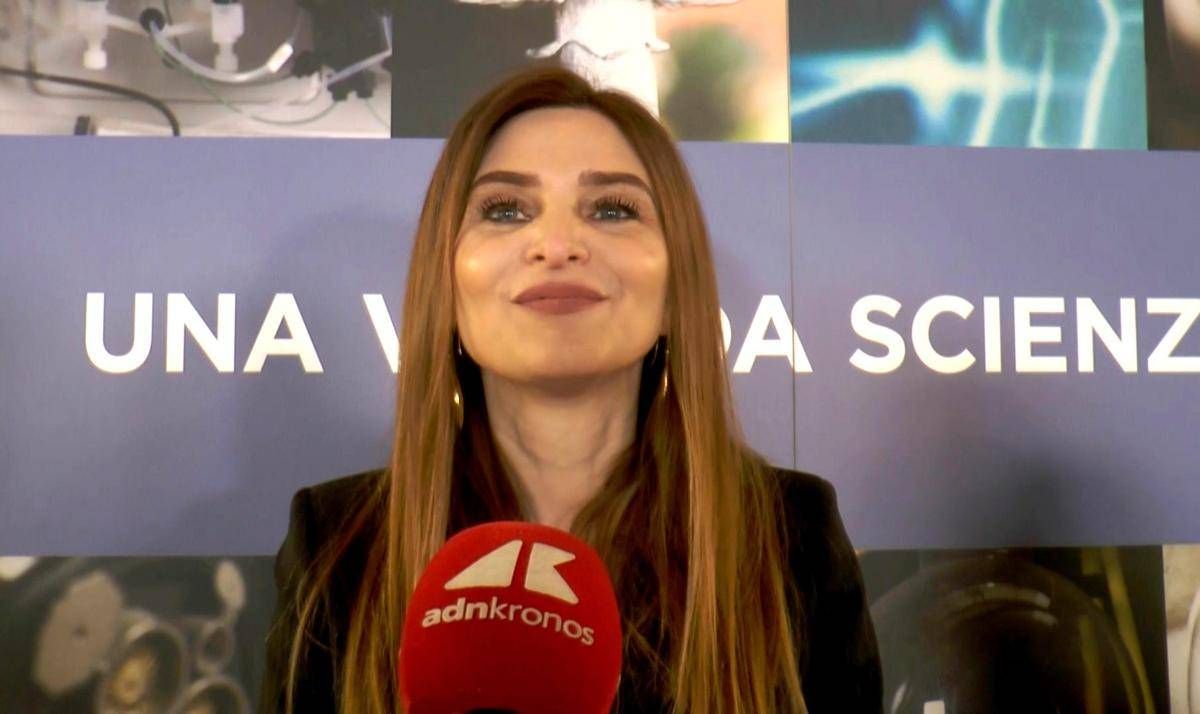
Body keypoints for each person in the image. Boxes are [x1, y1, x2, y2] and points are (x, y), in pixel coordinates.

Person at [260, 66, 882, 714]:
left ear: (677, 289)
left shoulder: (792, 536)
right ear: (444, 284)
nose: (556, 245)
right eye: (505, 210)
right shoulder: (337, 544)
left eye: (612, 209)